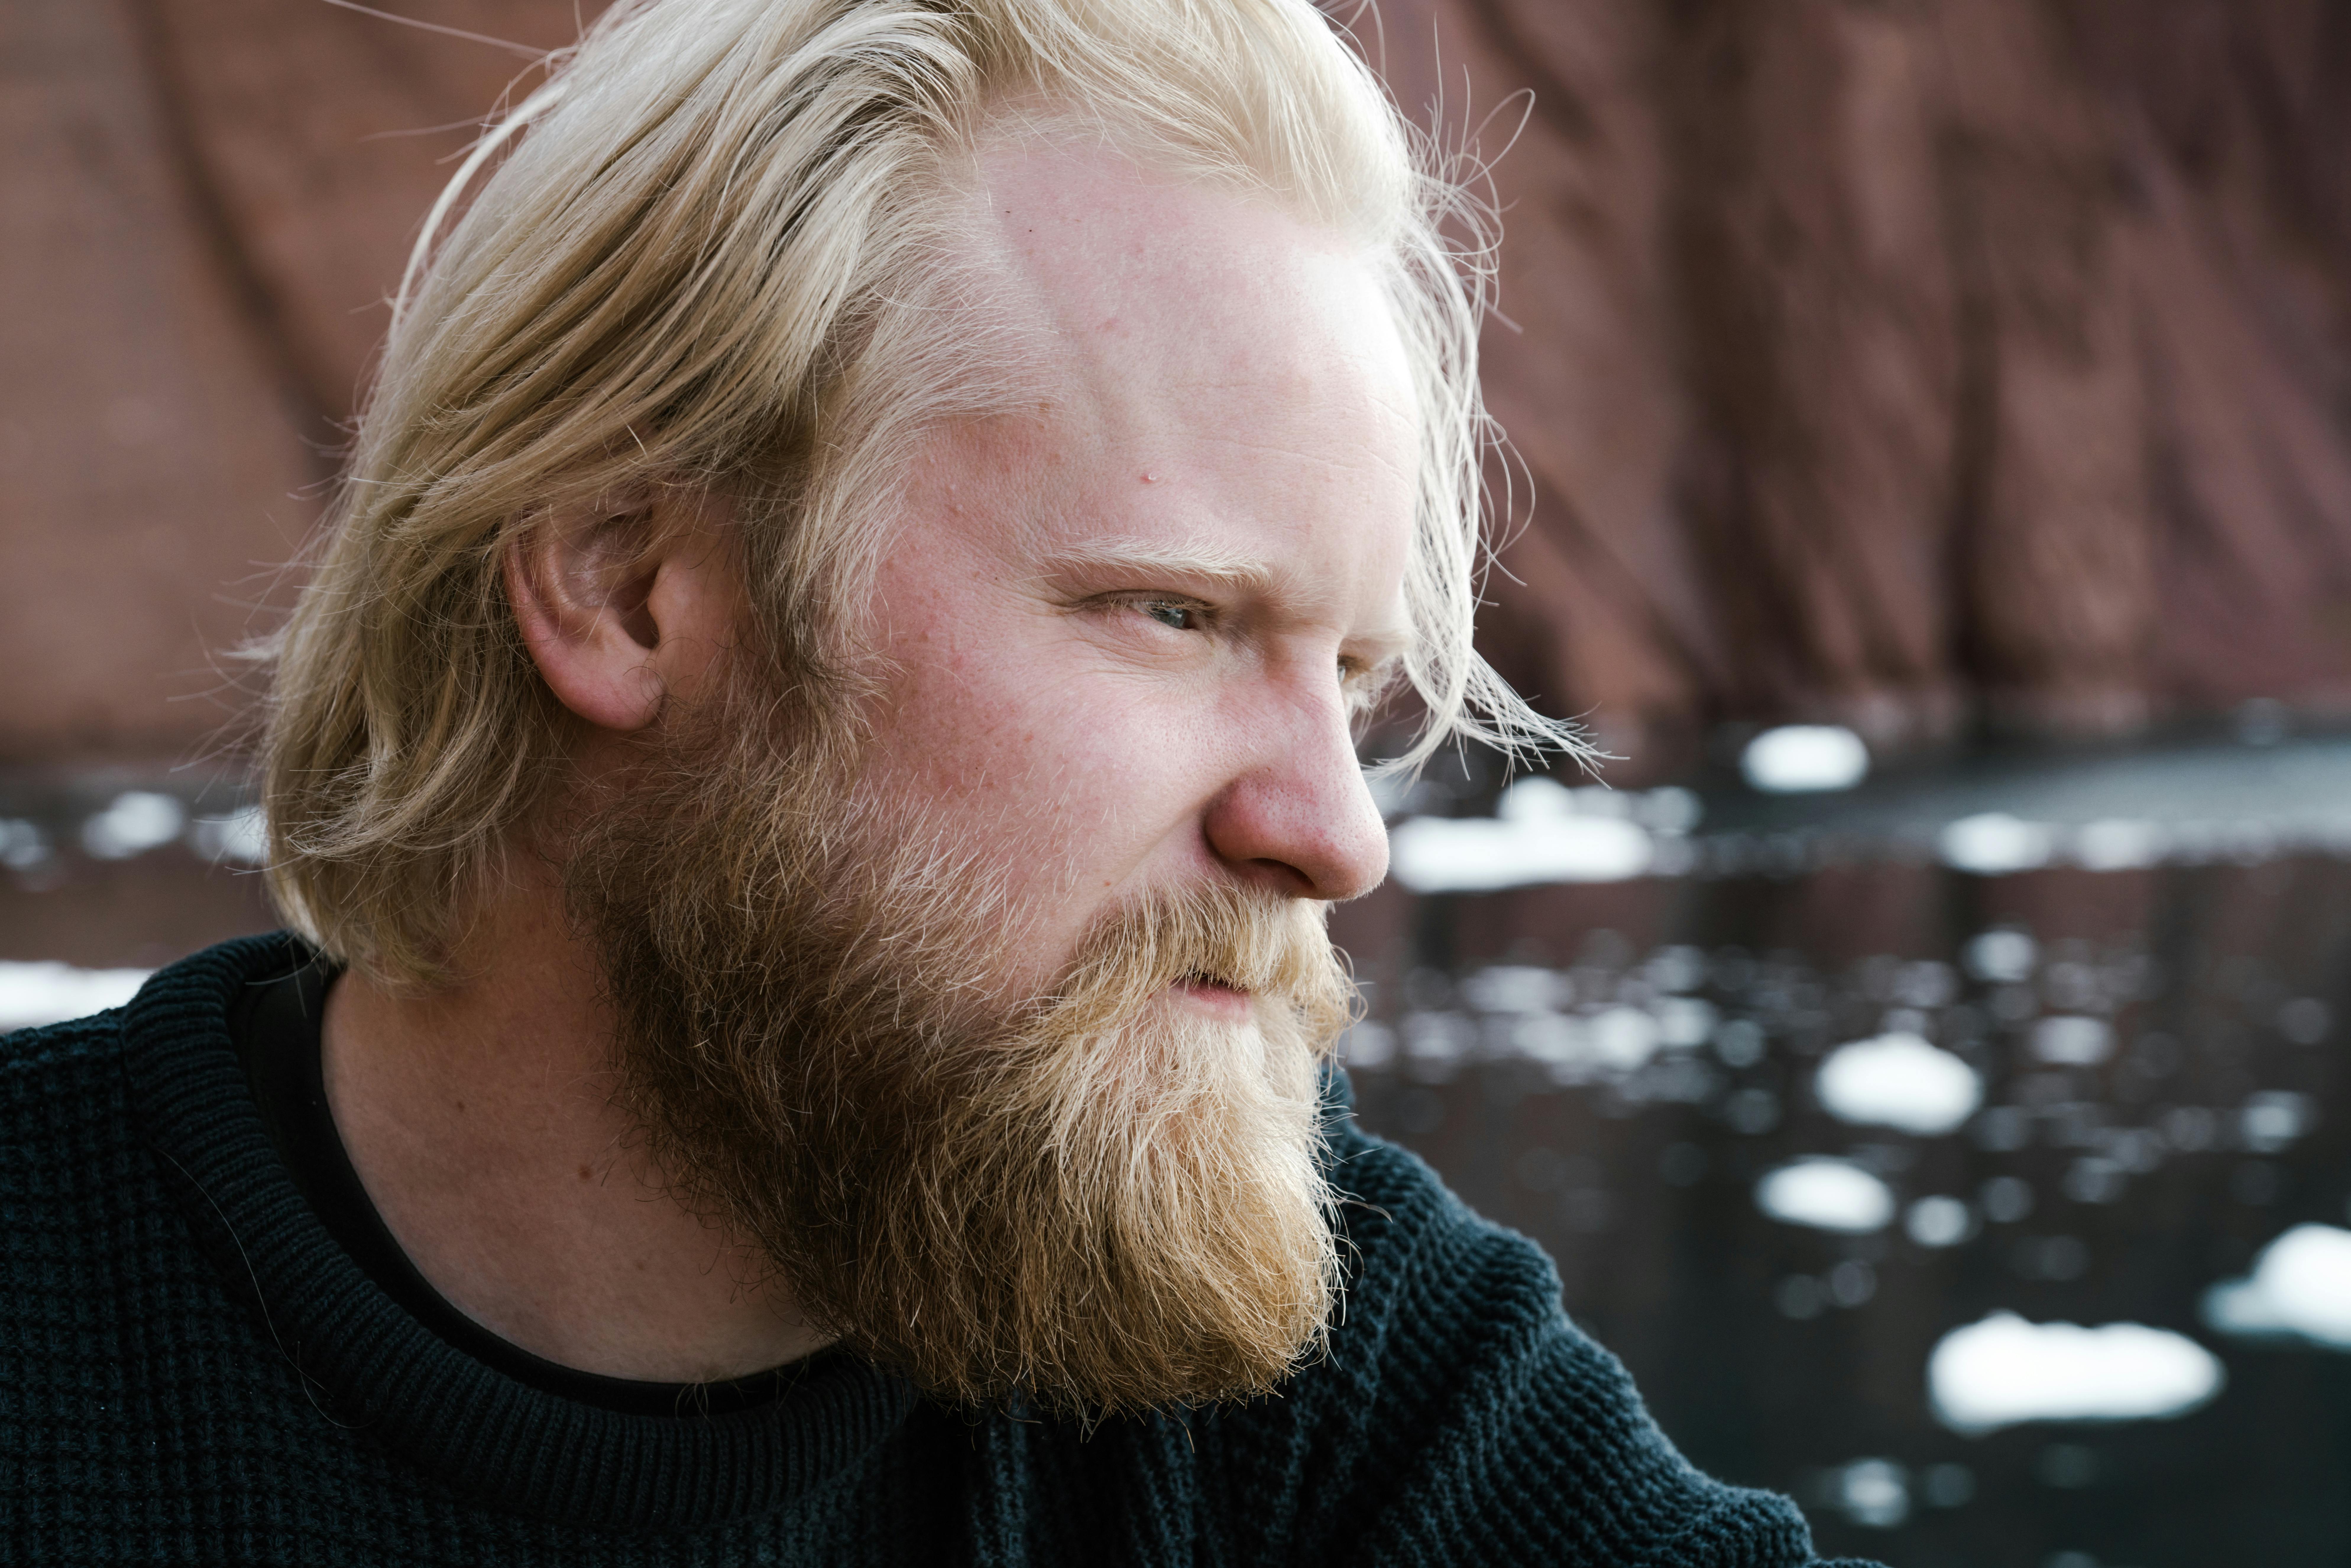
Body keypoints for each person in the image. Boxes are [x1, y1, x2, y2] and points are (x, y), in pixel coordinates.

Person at [1, 1, 1881, 1562]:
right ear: (626, 583)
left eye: (1357, 677)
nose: (1334, 829)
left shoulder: (1343, 1395)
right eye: (1172, 611)